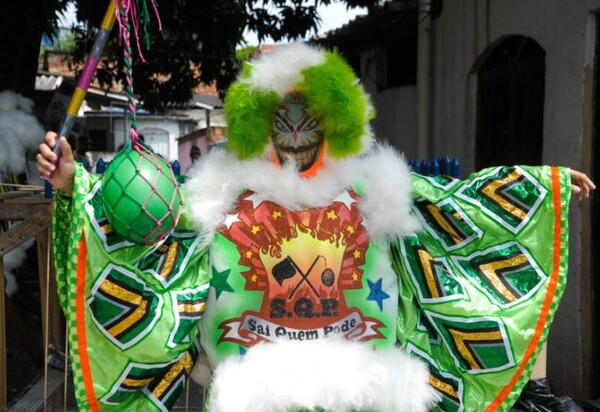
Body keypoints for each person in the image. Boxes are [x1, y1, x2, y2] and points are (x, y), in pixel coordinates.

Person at [37, 43, 595, 412]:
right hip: (252, 393)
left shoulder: (373, 189)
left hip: (362, 391)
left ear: (335, 123)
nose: (296, 132)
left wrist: (538, 187)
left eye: (310, 120)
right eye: (282, 118)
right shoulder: (219, 196)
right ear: (261, 125)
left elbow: (463, 208)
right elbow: (147, 226)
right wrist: (72, 183)